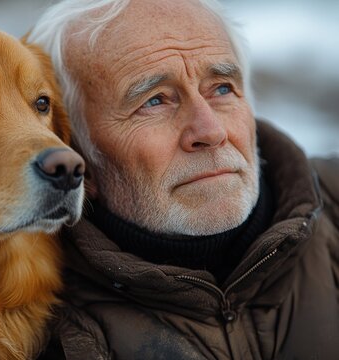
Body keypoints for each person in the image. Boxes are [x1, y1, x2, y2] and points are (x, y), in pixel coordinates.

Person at [27, 0, 339, 359]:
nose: (210, 130)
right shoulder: (32, 334)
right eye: (155, 101)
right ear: (76, 154)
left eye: (222, 88)